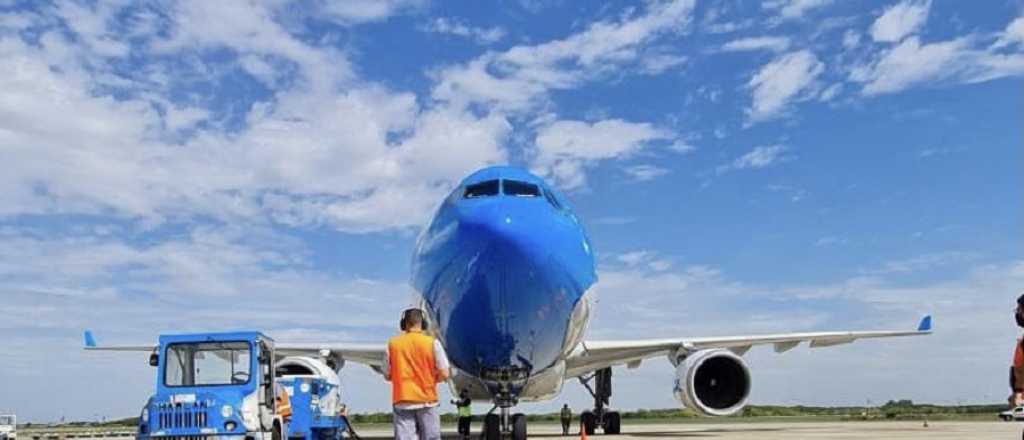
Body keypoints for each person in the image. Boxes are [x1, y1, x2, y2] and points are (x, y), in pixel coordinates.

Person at [384, 308, 451, 440]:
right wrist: (432, 380)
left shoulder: (393, 344)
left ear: (404, 324)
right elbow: (445, 373)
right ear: (423, 323)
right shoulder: (432, 343)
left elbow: (387, 374)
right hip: (427, 400)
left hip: (402, 400)